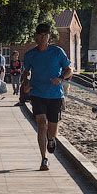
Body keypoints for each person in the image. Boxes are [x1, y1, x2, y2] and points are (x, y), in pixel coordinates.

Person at [22, 22, 73, 171]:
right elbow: (26, 72)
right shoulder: (30, 54)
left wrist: (61, 78)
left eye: (46, 35)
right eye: (41, 35)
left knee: (52, 128)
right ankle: (44, 158)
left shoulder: (57, 52)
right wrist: (26, 83)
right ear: (36, 36)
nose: (44, 37)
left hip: (55, 94)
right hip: (37, 93)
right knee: (41, 124)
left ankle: (51, 139)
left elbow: (69, 69)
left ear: (49, 36)